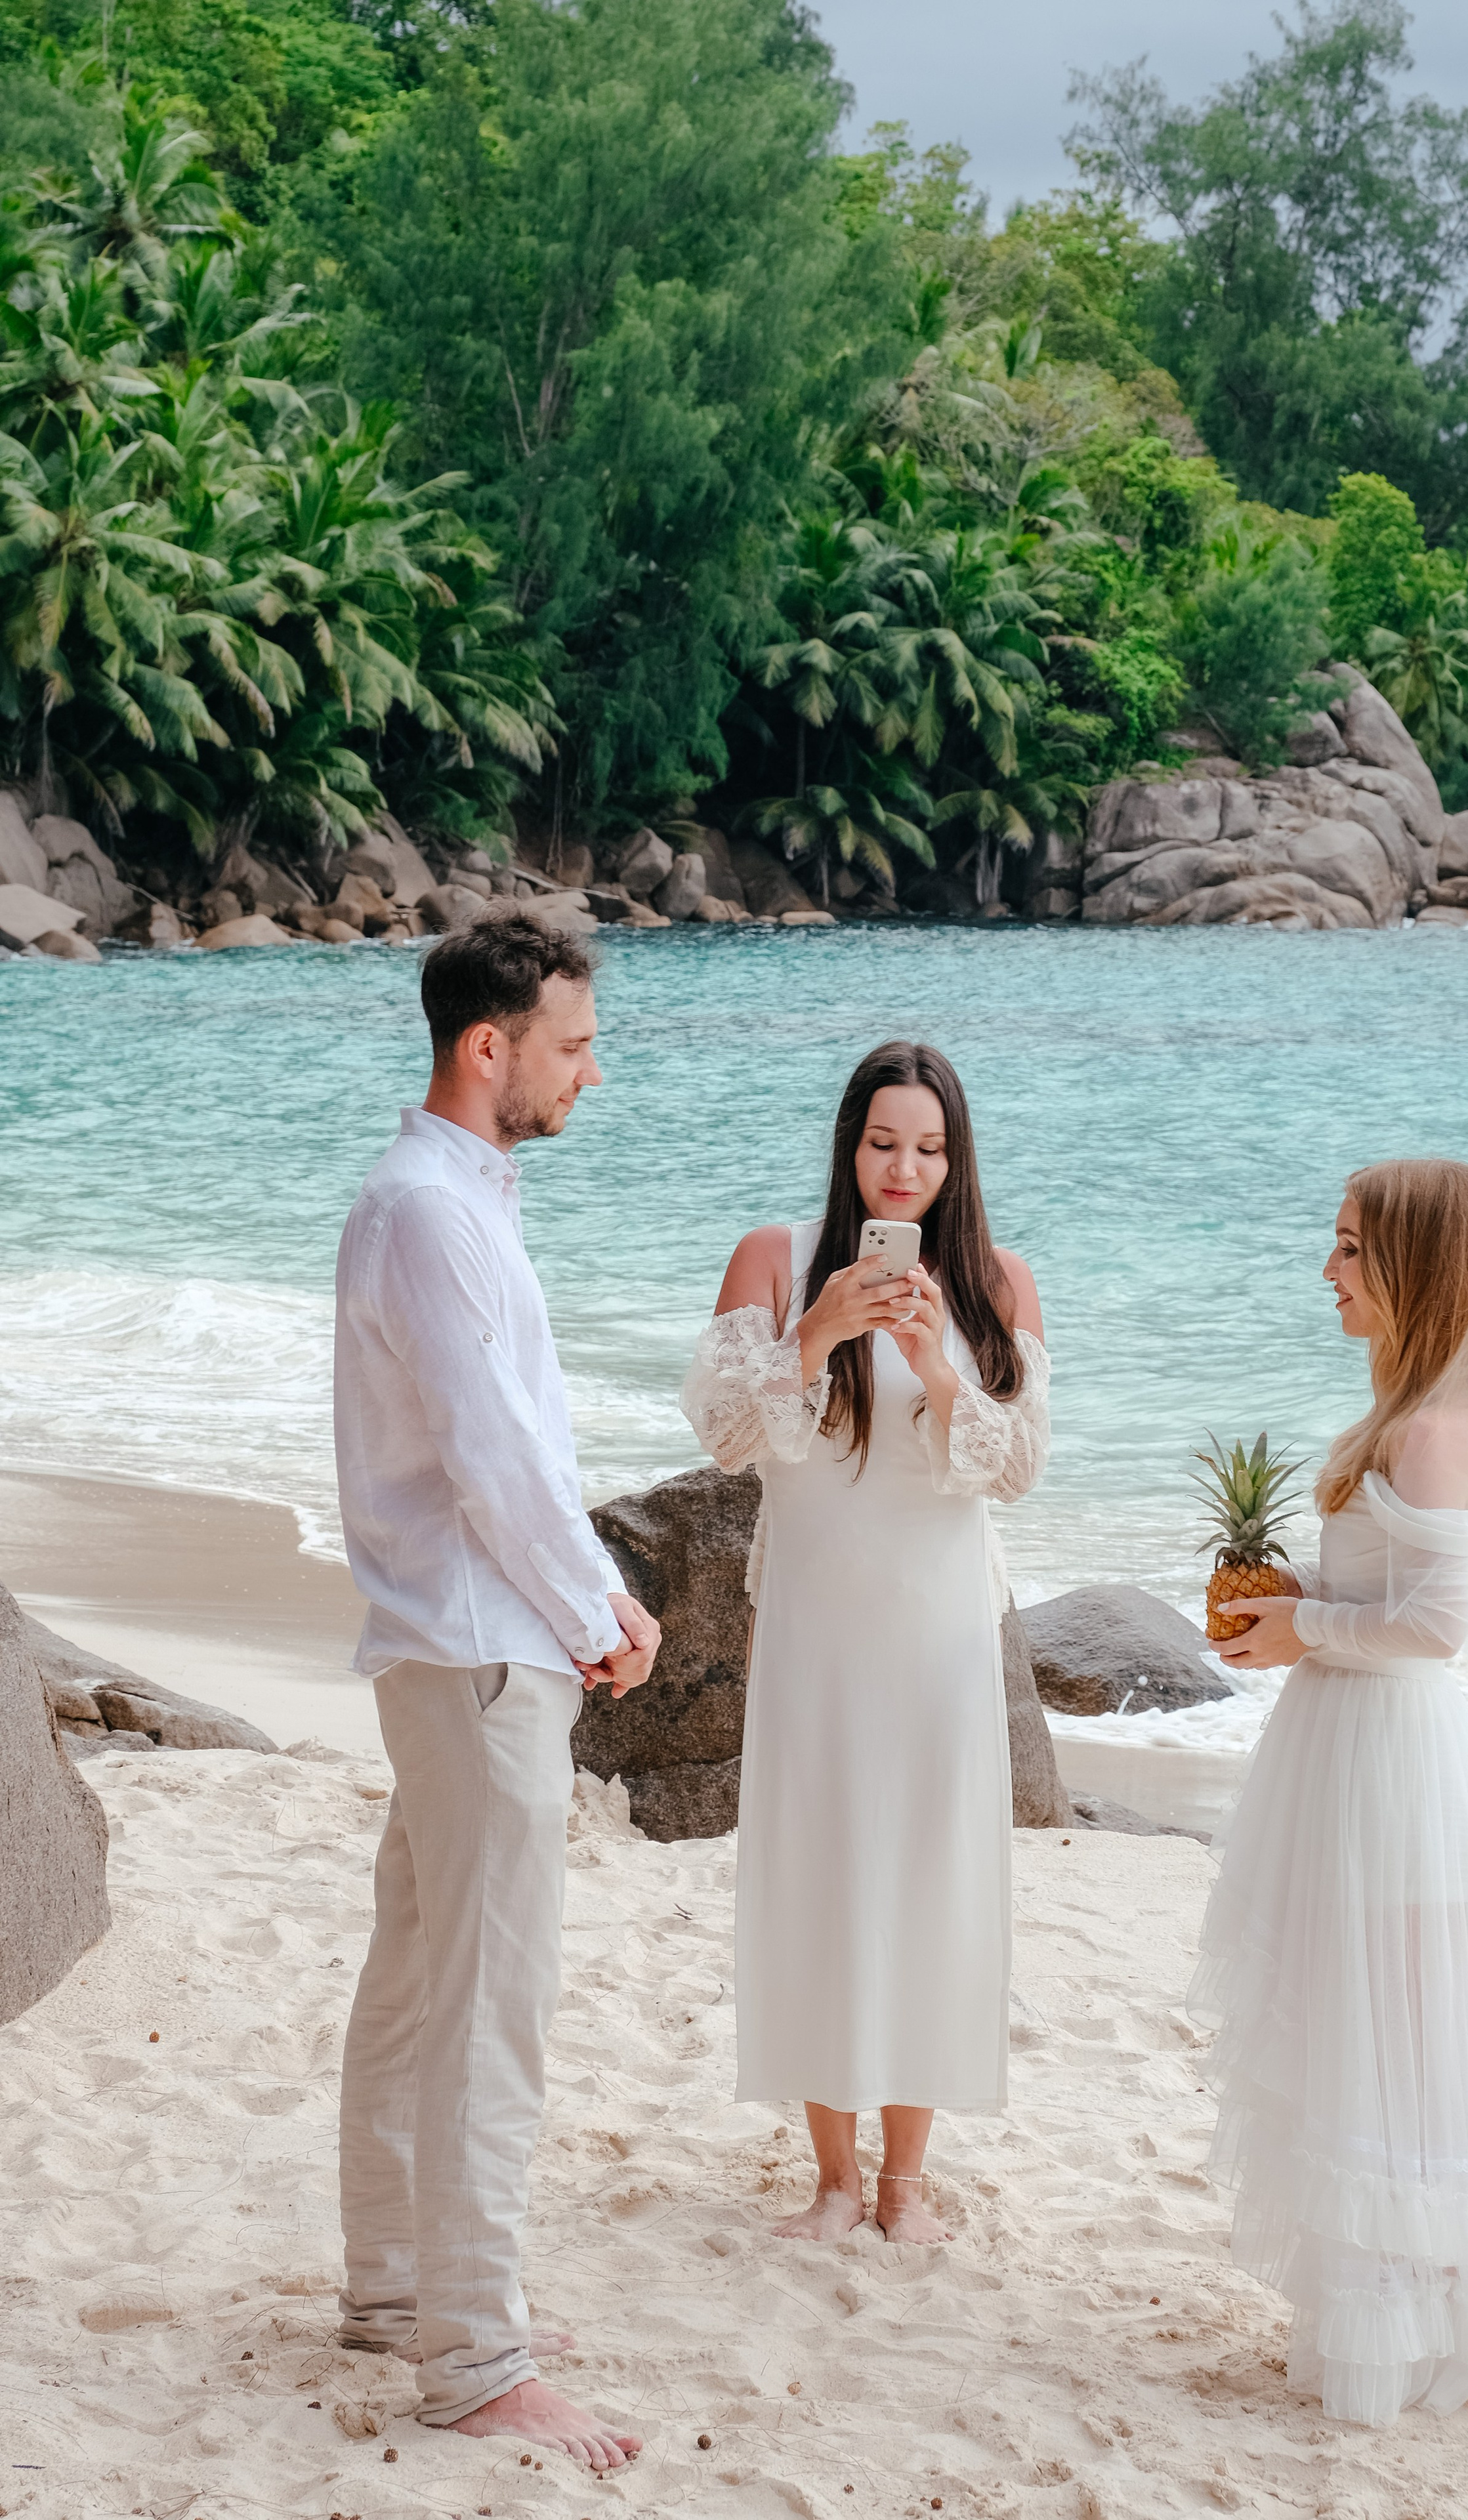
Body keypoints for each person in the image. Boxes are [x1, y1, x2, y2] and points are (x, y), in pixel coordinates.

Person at [333, 907, 660, 2471]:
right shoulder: (428, 1212)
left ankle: (404, 2288)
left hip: (455, 1637)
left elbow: (503, 1441)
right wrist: (600, 1606)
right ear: (491, 1047)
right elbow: (493, 1459)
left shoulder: (450, 1198)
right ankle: (473, 2352)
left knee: (417, 1969)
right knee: (488, 1999)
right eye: (574, 1045)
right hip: (477, 1645)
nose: (591, 1074)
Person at [1190, 1160, 1468, 2427]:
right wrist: (1291, 1607)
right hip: (1353, 1741)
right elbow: (1392, 1593)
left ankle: (1406, 2330)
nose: (1330, 1271)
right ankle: (1384, 2312)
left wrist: (1301, 1622)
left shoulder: (1436, 1424)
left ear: (1414, 1264)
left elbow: (1439, 1628)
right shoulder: (1417, 1407)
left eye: (1353, 1249)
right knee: (1367, 2018)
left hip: (1392, 1759)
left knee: (1396, 2028)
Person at [681, 1040, 1049, 2242]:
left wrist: (938, 1367)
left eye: (930, 1149)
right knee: (819, 1874)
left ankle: (905, 2180)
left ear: (957, 1158)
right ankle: (833, 2178)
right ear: (850, 1144)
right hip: (817, 1627)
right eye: (884, 1143)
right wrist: (819, 1330)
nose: (905, 1170)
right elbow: (730, 1433)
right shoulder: (776, 1260)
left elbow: (1021, 1466)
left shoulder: (996, 1281)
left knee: (930, 1885)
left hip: (938, 1632)